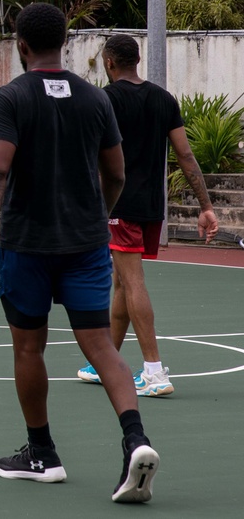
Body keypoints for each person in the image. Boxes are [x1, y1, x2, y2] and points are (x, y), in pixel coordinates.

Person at [0, 3, 159, 503]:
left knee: (29, 347)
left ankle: (41, 453)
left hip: (28, 245)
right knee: (100, 346)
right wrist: (98, 214)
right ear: (66, 42)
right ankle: (136, 440)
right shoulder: (96, 100)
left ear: (21, 45)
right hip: (86, 244)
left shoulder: (8, 99)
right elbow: (115, 173)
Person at [76, 34, 219, 396]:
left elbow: (90, 155)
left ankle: (154, 372)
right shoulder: (163, 99)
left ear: (109, 64)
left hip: (118, 204)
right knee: (122, 282)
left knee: (132, 280)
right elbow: (186, 156)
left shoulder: (105, 99)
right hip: (152, 206)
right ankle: (103, 363)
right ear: (137, 60)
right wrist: (205, 206)